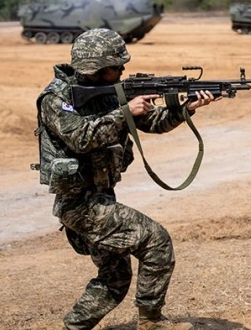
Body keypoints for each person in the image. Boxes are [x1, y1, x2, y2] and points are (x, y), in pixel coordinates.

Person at [35, 28, 219, 330]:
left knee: (114, 280)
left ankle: (74, 327)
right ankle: (151, 322)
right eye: (116, 66)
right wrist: (125, 112)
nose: (122, 70)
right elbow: (81, 138)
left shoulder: (114, 92)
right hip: (79, 204)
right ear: (93, 67)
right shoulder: (56, 98)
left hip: (101, 198)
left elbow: (155, 123)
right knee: (156, 241)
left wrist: (186, 109)